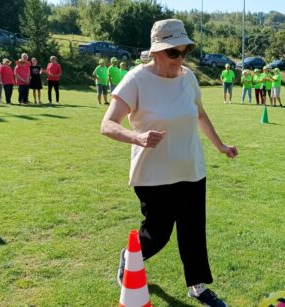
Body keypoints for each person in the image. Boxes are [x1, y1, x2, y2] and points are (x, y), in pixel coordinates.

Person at [101, 18, 237, 307]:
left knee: (193, 231)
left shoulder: (188, 78)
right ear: (156, 51)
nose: (180, 58)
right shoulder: (136, 79)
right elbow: (108, 124)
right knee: (158, 233)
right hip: (153, 174)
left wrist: (220, 145)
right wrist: (136, 138)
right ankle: (130, 255)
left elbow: (199, 115)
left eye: (184, 51)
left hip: (191, 168)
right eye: (173, 52)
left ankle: (198, 287)